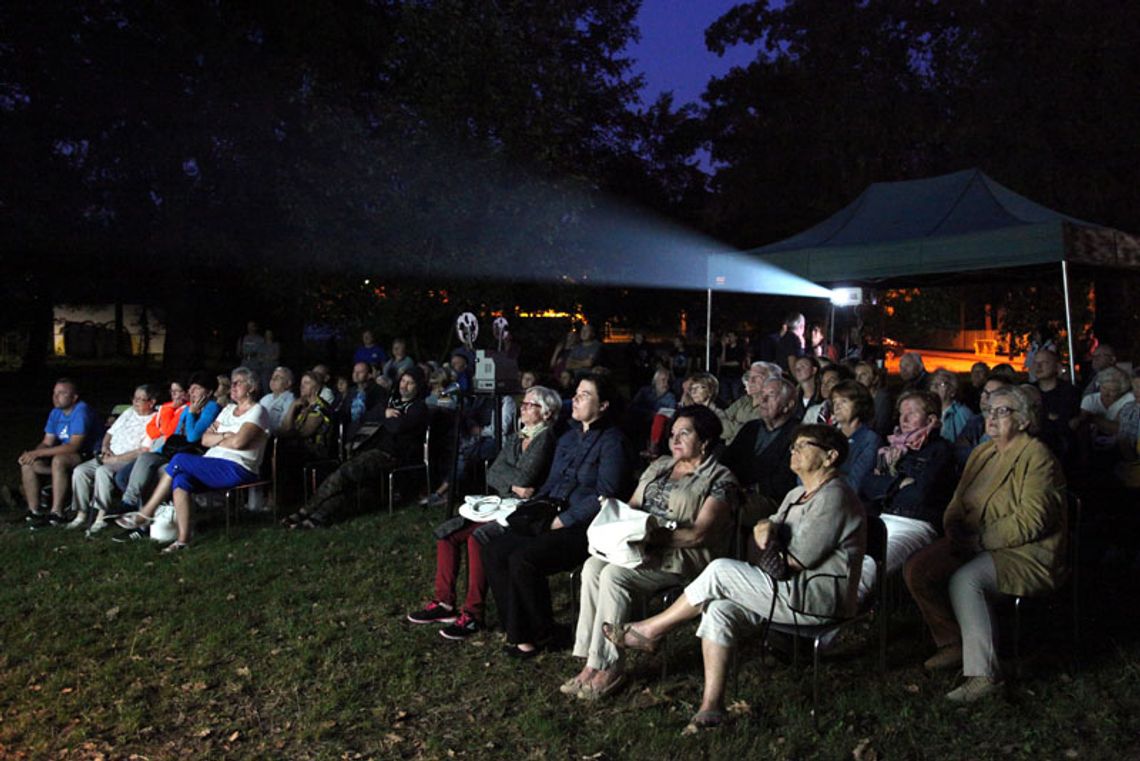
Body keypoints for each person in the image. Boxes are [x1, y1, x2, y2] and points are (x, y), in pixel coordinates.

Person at [607, 424, 865, 730]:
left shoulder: (835, 496)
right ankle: (712, 707)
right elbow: (765, 542)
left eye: (802, 446)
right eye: (792, 445)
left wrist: (767, 534)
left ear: (830, 456)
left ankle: (651, 629)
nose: (792, 451)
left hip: (817, 597)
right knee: (719, 609)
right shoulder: (798, 493)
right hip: (783, 589)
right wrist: (765, 531)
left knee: (720, 570)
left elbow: (795, 560)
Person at [905, 385, 1066, 703]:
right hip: (972, 539)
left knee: (967, 581)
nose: (992, 417)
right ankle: (953, 641)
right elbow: (958, 499)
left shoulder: (1037, 457)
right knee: (917, 569)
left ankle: (984, 676)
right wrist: (951, 526)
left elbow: (1032, 521)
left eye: (1002, 411)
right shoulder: (983, 452)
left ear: (1022, 419)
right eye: (989, 410)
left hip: (1024, 551)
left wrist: (980, 541)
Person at [563, 406, 737, 699]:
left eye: (685, 432)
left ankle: (609, 667)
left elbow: (699, 534)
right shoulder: (660, 466)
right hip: (638, 547)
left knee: (614, 577)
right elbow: (631, 506)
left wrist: (650, 539)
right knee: (593, 567)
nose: (675, 440)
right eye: (672, 434)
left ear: (705, 440)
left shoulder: (720, 479)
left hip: (682, 556)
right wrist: (618, 522)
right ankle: (590, 662)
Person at [482, 373, 630, 657]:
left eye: (585, 395)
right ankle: (518, 631)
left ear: (604, 405)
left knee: (523, 559)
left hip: (584, 525)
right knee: (494, 549)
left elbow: (606, 494)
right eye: (576, 393)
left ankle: (544, 632)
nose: (575, 398)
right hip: (551, 511)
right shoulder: (568, 437)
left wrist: (565, 520)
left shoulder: (613, 442)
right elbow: (551, 482)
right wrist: (534, 507)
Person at [406, 386, 561, 640]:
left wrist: (511, 479)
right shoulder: (516, 436)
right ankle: (444, 603)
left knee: (478, 538)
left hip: (522, 512)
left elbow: (527, 476)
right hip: (501, 503)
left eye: (530, 404)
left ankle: (472, 614)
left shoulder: (546, 440)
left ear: (546, 413)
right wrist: (513, 485)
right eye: (523, 403)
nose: (522, 407)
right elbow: (493, 473)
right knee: (448, 534)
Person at [115, 367, 271, 551]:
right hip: (214, 463)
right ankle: (183, 540)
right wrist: (225, 436)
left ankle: (145, 513)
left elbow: (238, 443)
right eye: (233, 382)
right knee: (181, 480)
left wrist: (220, 437)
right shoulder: (228, 409)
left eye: (239, 382)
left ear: (252, 387)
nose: (233, 386)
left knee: (180, 460)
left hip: (238, 467)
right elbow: (204, 439)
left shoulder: (257, 411)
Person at [283, 367, 429, 527]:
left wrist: (382, 417)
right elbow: (365, 418)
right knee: (346, 483)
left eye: (410, 383)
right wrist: (384, 414)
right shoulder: (390, 402)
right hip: (371, 450)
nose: (404, 385)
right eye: (403, 381)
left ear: (418, 386)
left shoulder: (418, 407)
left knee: (344, 474)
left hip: (391, 455)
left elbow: (397, 427)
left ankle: (310, 513)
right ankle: (312, 515)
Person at [859, 390, 956, 596]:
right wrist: (899, 483)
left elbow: (920, 495)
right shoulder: (892, 447)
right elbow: (866, 484)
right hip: (881, 518)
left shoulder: (941, 451)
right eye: (901, 413)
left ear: (930, 419)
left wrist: (885, 485)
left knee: (868, 570)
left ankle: (834, 620)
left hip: (915, 523)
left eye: (911, 413)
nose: (903, 419)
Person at [119, 373, 221, 514]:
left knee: (152, 475)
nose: (191, 392)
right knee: (126, 473)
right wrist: (158, 452)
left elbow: (192, 437)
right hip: (172, 451)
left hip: (190, 455)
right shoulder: (188, 408)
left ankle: (141, 518)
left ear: (209, 392)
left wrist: (191, 414)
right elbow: (176, 435)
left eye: (196, 389)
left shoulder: (212, 407)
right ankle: (132, 505)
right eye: (191, 388)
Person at [67, 385, 158, 531]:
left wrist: (116, 459)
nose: (135, 402)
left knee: (103, 472)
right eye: (134, 398)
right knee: (80, 471)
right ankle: (81, 514)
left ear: (152, 402)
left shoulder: (155, 419)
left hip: (128, 460)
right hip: (108, 454)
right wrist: (105, 448)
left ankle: (101, 517)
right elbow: (110, 432)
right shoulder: (129, 412)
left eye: (140, 399)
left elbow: (143, 450)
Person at [19, 378, 96, 524]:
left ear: (74, 397)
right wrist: (33, 455)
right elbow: (47, 442)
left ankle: (57, 513)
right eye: (54, 393)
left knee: (59, 460)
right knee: (27, 463)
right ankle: (34, 511)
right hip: (65, 452)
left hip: (88, 454)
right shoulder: (56, 412)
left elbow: (74, 446)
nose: (55, 397)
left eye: (61, 393)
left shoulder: (81, 411)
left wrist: (37, 454)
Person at [721, 378, 800, 513]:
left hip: (773, 501)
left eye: (771, 395)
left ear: (788, 405)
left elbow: (786, 480)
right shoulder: (751, 427)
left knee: (721, 508)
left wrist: (749, 489)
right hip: (737, 490)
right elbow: (727, 460)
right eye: (762, 394)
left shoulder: (798, 434)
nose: (762, 400)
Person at [275, 371, 336, 506]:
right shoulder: (301, 405)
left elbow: (303, 432)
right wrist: (292, 408)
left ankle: (286, 499)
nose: (302, 386)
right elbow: (285, 428)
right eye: (302, 383)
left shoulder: (320, 407)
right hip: (299, 446)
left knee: (285, 451)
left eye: (307, 383)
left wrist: (291, 411)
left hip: (317, 448)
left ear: (316, 387)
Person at [831, 380, 883, 496]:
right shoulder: (828, 436)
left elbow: (856, 483)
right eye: (834, 402)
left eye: (843, 401)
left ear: (859, 405)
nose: (837, 406)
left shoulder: (870, 440)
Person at [720, 362, 781, 443]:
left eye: (757, 377)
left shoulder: (772, 406)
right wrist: (740, 427)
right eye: (750, 376)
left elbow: (752, 435)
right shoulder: (744, 400)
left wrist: (731, 424)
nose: (750, 381)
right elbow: (718, 423)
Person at [929, 369, 972, 443]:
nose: (935, 387)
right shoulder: (927, 411)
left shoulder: (962, 413)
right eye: (933, 383)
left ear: (952, 391)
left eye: (942, 384)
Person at [342, 362, 385, 429]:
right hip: (351, 429)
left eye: (360, 372)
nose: (356, 374)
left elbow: (378, 413)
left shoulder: (378, 391)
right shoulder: (351, 391)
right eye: (354, 371)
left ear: (369, 375)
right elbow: (344, 412)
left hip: (369, 429)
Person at [854, 361, 893, 437]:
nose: (858, 379)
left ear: (875, 379)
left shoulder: (882, 399)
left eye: (863, 375)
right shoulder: (859, 397)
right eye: (856, 375)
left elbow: (880, 428)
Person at [259, 366, 296, 434]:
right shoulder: (266, 398)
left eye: (278, 377)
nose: (273, 379)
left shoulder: (290, 400)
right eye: (272, 377)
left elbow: (284, 426)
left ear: (288, 383)